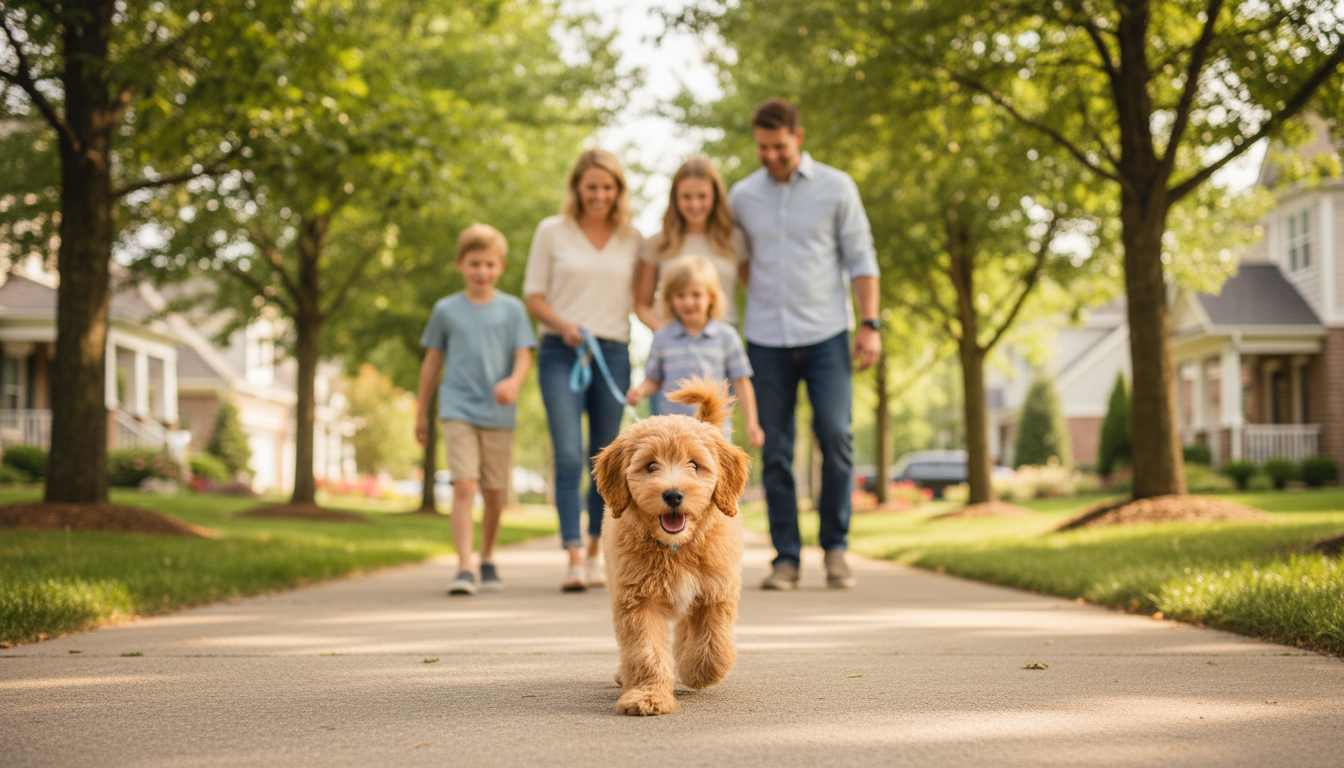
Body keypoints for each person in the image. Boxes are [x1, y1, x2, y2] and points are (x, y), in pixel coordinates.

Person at [729, 98, 882, 591]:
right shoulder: (743, 196)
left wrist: (870, 324)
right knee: (773, 447)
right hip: (766, 339)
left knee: (836, 436)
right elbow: (740, 260)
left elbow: (861, 258)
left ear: (799, 137)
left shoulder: (837, 187)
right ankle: (786, 558)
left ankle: (835, 549)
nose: (770, 155)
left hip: (826, 337)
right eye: (762, 147)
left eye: (779, 146)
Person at [523, 148, 644, 592]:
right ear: (577, 187)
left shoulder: (633, 238)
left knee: (606, 459)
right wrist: (564, 326)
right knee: (570, 454)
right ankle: (573, 556)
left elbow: (644, 300)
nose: (599, 195)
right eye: (591, 186)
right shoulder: (552, 231)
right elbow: (534, 296)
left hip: (612, 351)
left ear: (618, 191)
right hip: (561, 350)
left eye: (607, 187)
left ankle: (598, 553)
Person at [416, 223, 536, 596]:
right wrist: (421, 411)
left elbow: (523, 356)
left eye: (488, 264)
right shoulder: (446, 310)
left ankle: (486, 556)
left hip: (498, 413)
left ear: (500, 266)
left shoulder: (512, 310)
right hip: (457, 407)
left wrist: (513, 383)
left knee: (494, 492)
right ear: (460, 264)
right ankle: (465, 566)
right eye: (474, 264)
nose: (481, 272)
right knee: (464, 484)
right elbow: (432, 361)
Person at [626, 256, 764, 449]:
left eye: (696, 295)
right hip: (672, 431)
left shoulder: (726, 337)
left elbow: (741, 382)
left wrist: (752, 423)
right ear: (670, 300)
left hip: (714, 431)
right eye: (680, 295)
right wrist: (640, 391)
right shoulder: (662, 338)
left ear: (711, 297)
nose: (688, 302)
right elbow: (654, 379)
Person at [633, 156, 749, 331]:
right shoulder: (658, 243)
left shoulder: (734, 239)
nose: (694, 204)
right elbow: (642, 305)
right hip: (673, 345)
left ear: (715, 197)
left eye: (702, 196)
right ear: (675, 199)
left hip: (721, 343)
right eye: (686, 197)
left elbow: (753, 291)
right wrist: (665, 334)